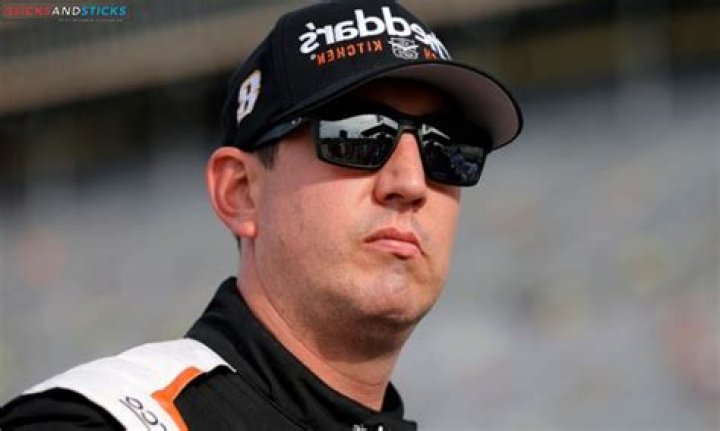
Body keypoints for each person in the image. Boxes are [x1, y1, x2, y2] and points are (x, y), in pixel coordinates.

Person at [0, 0, 522, 429]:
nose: (410, 183)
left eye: (446, 148)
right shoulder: (101, 419)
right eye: (358, 136)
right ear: (241, 192)